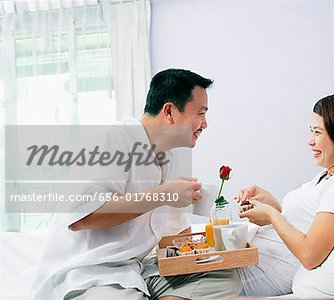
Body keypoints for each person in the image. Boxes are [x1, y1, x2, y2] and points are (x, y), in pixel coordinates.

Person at [148, 93, 334, 298]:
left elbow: (310, 254)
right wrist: (271, 204)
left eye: (317, 132)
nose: (310, 141)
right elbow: (306, 223)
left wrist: (272, 215)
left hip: (262, 270)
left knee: (165, 274)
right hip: (253, 254)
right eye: (311, 131)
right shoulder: (326, 176)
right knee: (161, 264)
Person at [32, 69, 214, 300]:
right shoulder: (112, 138)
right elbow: (81, 217)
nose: (205, 124)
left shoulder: (169, 157)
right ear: (169, 111)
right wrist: (163, 195)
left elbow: (174, 234)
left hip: (136, 271)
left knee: (224, 278)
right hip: (91, 272)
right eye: (200, 113)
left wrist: (212, 245)